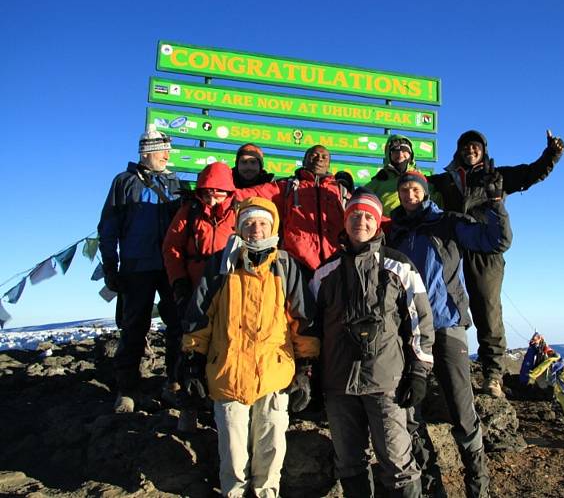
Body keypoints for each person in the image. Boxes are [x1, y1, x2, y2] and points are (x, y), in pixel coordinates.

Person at [180, 197, 320, 498]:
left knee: (271, 448)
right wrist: (192, 360)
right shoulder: (220, 265)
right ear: (239, 229)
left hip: (274, 375)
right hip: (227, 372)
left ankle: (266, 494)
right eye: (248, 223)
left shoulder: (285, 266)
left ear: (272, 226)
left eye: (261, 222)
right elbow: (199, 318)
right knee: (232, 451)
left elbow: (302, 320)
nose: (255, 228)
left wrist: (306, 369)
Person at [388, 171, 511, 498]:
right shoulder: (394, 231)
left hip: (446, 325)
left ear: (424, 192)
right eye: (404, 189)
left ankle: (478, 487)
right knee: (409, 411)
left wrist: (496, 205)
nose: (409, 193)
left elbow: (495, 241)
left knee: (461, 409)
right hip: (407, 332)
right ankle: (432, 487)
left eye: (415, 188)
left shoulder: (446, 222)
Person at [311, 188, 435, 498]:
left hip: (386, 382)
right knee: (350, 463)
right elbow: (311, 330)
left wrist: (419, 372)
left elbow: (420, 322)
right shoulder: (325, 273)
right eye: (355, 215)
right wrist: (309, 375)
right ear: (346, 219)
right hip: (338, 385)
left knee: (397, 463)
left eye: (369, 216)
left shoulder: (399, 266)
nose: (361, 222)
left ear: (378, 222)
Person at [428, 129, 564, 397]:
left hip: (486, 249)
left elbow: (529, 174)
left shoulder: (496, 176)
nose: (470, 150)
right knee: (443, 305)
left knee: (486, 309)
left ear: (483, 150)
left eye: (475, 146)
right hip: (452, 248)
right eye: (466, 146)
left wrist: (552, 154)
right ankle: (443, 366)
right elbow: (412, 186)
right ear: (458, 150)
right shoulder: (445, 180)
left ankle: (492, 375)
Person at [97, 124, 182, 413]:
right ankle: (127, 388)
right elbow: (108, 228)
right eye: (162, 150)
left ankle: (174, 383)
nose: (167, 155)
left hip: (171, 267)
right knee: (134, 327)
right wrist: (111, 265)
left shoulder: (175, 184)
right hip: (136, 267)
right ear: (146, 152)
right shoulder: (124, 182)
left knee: (178, 327)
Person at [162, 162, 238, 409]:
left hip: (228, 287)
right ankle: (187, 401)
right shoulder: (190, 210)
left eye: (219, 191)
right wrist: (179, 282)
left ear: (229, 191)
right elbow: (171, 247)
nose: (213, 196)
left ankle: (218, 398)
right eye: (207, 191)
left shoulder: (239, 211)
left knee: (223, 342)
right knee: (190, 343)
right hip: (194, 287)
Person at [237, 144, 348, 274]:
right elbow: (255, 193)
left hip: (335, 263)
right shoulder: (288, 186)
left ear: (329, 164)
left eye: (324, 157)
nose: (319, 159)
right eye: (314, 155)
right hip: (296, 263)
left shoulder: (340, 192)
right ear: (304, 161)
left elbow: (364, 210)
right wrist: (223, 193)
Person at [364, 134, 418, 215]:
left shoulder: (421, 180)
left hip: (416, 226)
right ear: (389, 155)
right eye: (395, 151)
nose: (400, 154)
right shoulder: (378, 182)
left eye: (404, 150)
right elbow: (360, 200)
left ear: (411, 154)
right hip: (387, 226)